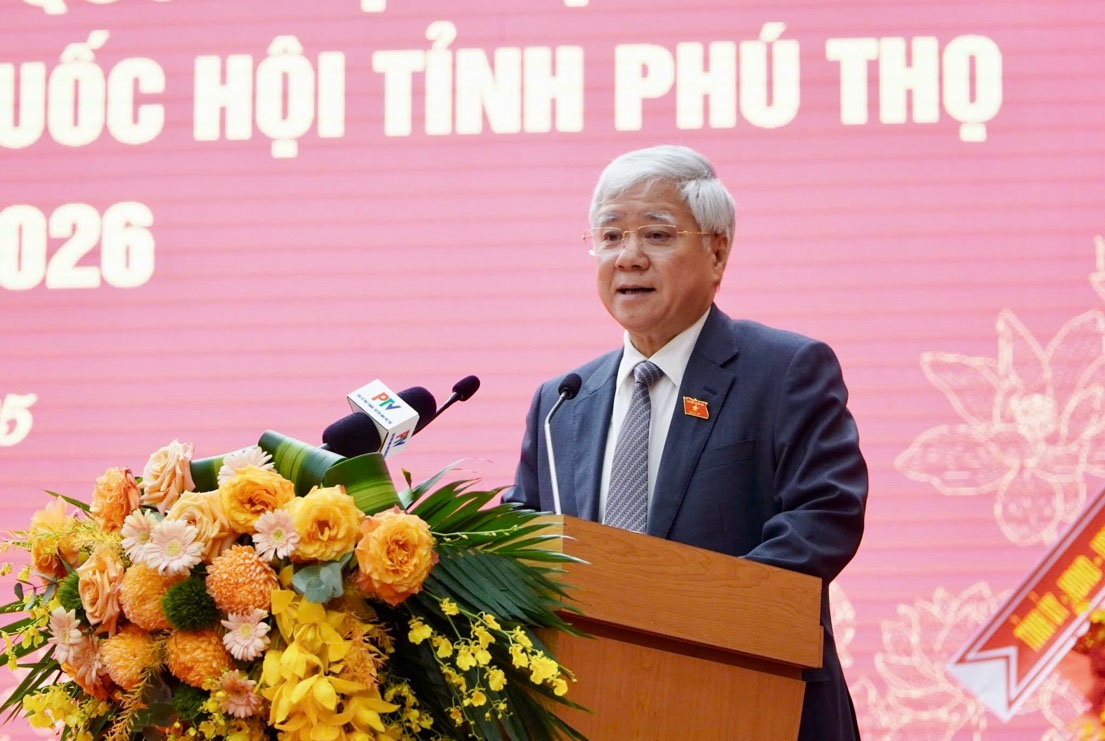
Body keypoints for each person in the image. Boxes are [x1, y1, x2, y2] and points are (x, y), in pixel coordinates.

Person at [505, 144, 868, 740]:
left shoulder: (784, 371)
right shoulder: (562, 402)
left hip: (752, 702)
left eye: (656, 235)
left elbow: (824, 519)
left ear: (717, 252)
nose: (629, 257)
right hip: (592, 708)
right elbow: (524, 537)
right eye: (611, 236)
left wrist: (683, 611)